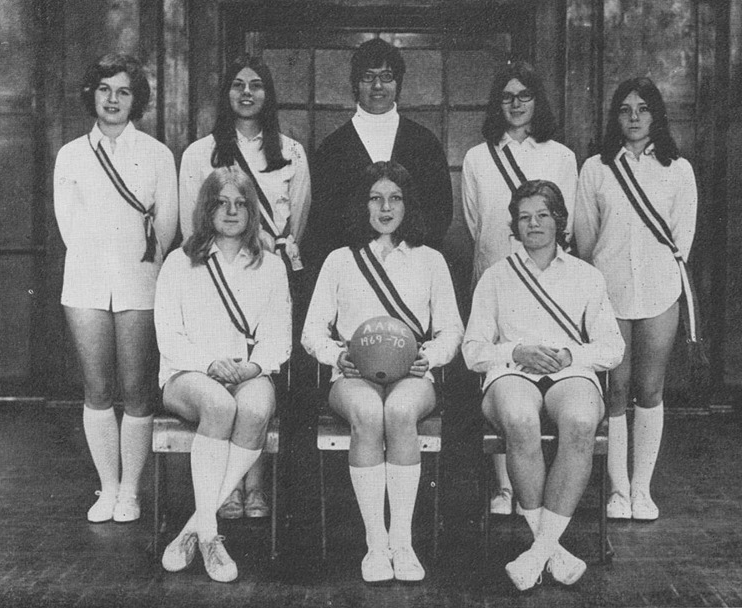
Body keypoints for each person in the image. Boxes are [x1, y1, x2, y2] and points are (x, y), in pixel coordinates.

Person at [302, 161, 463, 583]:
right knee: (369, 414)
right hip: (352, 375)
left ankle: (402, 543)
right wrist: (337, 356)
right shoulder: (340, 260)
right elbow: (312, 331)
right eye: (376, 198)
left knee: (399, 413)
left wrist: (431, 356)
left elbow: (452, 329)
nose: (386, 207)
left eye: (395, 198)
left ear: (409, 205)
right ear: (363, 204)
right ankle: (376, 544)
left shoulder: (430, 260)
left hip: (413, 374)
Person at [464, 180, 624, 590]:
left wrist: (572, 356)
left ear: (559, 221)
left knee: (581, 420)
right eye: (524, 217)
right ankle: (550, 551)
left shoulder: (587, 276)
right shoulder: (496, 277)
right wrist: (515, 351)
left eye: (542, 215)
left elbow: (612, 347)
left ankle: (538, 553)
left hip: (569, 371)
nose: (533, 224)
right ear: (514, 225)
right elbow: (473, 350)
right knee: (520, 419)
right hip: (512, 372)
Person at [179, 55, 309, 519]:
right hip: (215, 272)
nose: (247, 93)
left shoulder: (291, 152)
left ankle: (254, 485)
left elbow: (298, 218)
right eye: (238, 84)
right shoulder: (200, 153)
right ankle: (227, 489)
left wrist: (268, 257)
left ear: (268, 94)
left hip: (269, 270)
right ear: (226, 93)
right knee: (223, 377)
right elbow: (191, 224)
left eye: (256, 85)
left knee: (260, 383)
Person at [53, 53, 178, 523]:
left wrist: (133, 259)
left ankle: (131, 491)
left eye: (123, 91)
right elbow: (69, 227)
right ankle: (107, 488)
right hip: (86, 281)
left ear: (135, 99)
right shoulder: (70, 154)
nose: (112, 99)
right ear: (92, 95)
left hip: (140, 280)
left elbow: (166, 226)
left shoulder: (157, 154)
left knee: (138, 390)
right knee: (97, 388)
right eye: (104, 89)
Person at [155, 167, 291, 583]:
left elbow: (278, 336)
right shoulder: (180, 262)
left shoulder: (270, 265)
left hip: (248, 371)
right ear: (206, 209)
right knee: (218, 404)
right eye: (221, 203)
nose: (231, 212)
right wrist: (210, 364)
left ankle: (194, 529)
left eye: (241, 204)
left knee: (254, 409)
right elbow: (168, 335)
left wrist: (251, 366)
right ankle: (212, 538)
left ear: (252, 212)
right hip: (188, 373)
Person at [574, 77, 698, 521]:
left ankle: (642, 489)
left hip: (660, 291)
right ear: (615, 117)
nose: (634, 117)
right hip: (608, 293)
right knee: (616, 390)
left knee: (650, 389)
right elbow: (586, 239)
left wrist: (658, 274)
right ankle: (618, 490)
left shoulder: (678, 170)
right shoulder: (596, 169)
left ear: (656, 115)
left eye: (643, 109)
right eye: (625, 110)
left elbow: (682, 238)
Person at [461, 61, 578, 517]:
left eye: (524, 95)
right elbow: (477, 223)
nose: (515, 104)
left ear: (537, 101)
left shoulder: (560, 156)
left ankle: (543, 490)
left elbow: (565, 223)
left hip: (549, 281)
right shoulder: (477, 157)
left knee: (546, 375)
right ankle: (504, 486)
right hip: (497, 276)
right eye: (507, 96)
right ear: (497, 103)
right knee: (501, 373)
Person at [302, 38, 453, 269]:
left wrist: (405, 255)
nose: (378, 85)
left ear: (398, 83)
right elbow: (323, 223)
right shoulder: (333, 148)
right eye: (368, 77)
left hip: (412, 267)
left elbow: (440, 212)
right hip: (353, 269)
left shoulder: (424, 142)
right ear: (355, 84)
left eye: (387, 76)